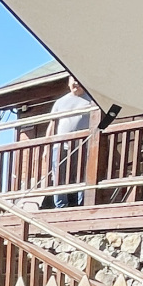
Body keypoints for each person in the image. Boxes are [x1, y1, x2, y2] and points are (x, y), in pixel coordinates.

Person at [43, 75, 97, 209]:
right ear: (68, 82)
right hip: (60, 146)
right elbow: (52, 125)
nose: (76, 83)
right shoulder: (60, 102)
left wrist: (100, 129)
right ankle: (61, 206)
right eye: (73, 80)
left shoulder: (92, 100)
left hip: (83, 146)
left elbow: (110, 113)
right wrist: (46, 147)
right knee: (59, 177)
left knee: (82, 176)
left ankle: (82, 205)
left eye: (79, 80)